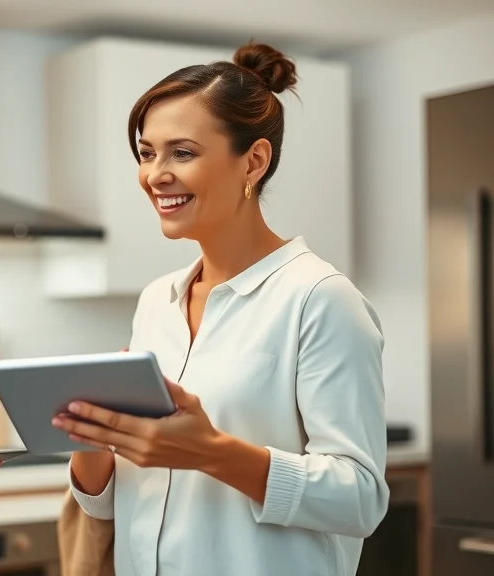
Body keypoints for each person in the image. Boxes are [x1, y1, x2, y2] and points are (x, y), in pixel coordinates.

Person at [52, 42, 389, 576]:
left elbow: (361, 499)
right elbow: (115, 502)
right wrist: (94, 441)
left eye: (181, 152)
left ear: (253, 160)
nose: (154, 175)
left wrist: (211, 451)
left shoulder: (319, 298)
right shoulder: (157, 302)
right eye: (146, 152)